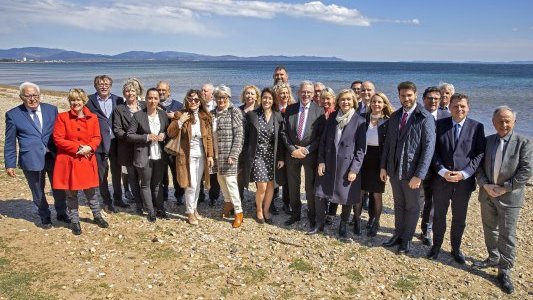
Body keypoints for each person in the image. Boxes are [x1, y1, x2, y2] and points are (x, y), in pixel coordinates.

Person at [474, 106, 532, 294]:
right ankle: (493, 257)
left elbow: (526, 171)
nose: (503, 124)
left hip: (509, 196)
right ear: (493, 122)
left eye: (507, 120)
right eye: (500, 121)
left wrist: (505, 187)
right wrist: (485, 185)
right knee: (490, 229)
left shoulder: (524, 143)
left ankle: (504, 270)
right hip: (488, 193)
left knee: (507, 233)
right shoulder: (487, 141)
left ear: (514, 122)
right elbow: (478, 167)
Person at [427, 93, 486, 264]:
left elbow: (479, 154)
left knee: (459, 218)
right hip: (441, 180)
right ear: (450, 106)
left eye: (462, 106)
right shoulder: (439, 125)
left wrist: (465, 173)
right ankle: (436, 246)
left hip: (463, 182)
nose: (459, 109)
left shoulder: (477, 127)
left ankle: (456, 248)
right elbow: (433, 152)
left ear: (468, 108)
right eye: (455, 106)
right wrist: (442, 170)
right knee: (439, 215)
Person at [380, 81, 436, 254]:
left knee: (412, 207)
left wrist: (419, 175)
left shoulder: (425, 117)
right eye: (403, 96)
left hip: (413, 173)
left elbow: (429, 148)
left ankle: (407, 240)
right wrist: (383, 167)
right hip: (395, 170)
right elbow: (388, 145)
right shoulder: (395, 116)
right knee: (398, 205)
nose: (406, 98)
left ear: (416, 95)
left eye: (409, 95)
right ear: (399, 96)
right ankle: (397, 235)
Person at [4, 82, 69, 228]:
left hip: (53, 156)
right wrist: (9, 163)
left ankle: (62, 212)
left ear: (40, 95)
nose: (32, 99)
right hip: (30, 157)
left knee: (59, 187)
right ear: (21, 97)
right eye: (28, 96)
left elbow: (61, 132)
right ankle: (45, 216)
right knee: (37, 189)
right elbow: (9, 142)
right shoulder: (13, 115)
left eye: (35, 95)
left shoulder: (51, 110)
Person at [52, 88, 109, 235]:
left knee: (91, 192)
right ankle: (75, 221)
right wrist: (78, 147)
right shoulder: (62, 117)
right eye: (72, 100)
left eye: (78, 99)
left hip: (86, 159)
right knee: (71, 194)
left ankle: (97, 216)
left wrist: (90, 147)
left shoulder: (93, 118)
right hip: (69, 161)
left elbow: (97, 137)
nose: (75, 102)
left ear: (84, 101)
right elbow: (58, 139)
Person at [313, 89, 366, 237]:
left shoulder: (360, 121)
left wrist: (354, 169)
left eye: (349, 99)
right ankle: (320, 223)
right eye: (342, 99)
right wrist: (321, 161)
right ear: (338, 102)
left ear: (353, 101)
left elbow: (361, 150)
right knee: (320, 193)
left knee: (347, 197)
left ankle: (343, 225)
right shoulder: (332, 118)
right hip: (328, 162)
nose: (345, 102)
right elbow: (323, 141)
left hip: (347, 165)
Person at [281, 80, 324, 228]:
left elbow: (320, 136)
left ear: (313, 95)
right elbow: (284, 132)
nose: (305, 94)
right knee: (293, 185)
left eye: (309, 92)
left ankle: (312, 215)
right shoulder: (290, 109)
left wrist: (306, 149)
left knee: (310, 186)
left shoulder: (319, 111)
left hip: (309, 154)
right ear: (298, 93)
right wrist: (293, 149)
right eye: (303, 92)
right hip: (292, 153)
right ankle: (295, 213)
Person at [167, 89, 214, 225]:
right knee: (190, 184)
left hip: (201, 155)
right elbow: (170, 133)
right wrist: (180, 121)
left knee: (197, 184)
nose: (193, 102)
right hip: (186, 155)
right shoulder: (180, 114)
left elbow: (209, 137)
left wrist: (210, 156)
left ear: (200, 102)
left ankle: (194, 209)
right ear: (186, 100)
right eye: (190, 99)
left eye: (196, 100)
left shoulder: (204, 116)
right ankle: (189, 212)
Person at [126, 88, 169, 222]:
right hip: (144, 155)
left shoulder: (163, 115)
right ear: (145, 99)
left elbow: (168, 132)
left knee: (157, 184)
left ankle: (160, 208)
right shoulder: (138, 115)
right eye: (150, 98)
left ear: (158, 100)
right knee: (145, 184)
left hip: (159, 155)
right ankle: (150, 212)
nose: (152, 101)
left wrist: (164, 135)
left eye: (155, 98)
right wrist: (146, 137)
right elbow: (129, 135)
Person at [86, 75, 127, 213]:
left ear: (110, 86)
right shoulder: (89, 101)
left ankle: (118, 198)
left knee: (117, 172)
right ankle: (107, 201)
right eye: (100, 84)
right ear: (95, 86)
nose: (103, 86)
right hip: (99, 143)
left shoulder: (119, 100)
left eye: (106, 84)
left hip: (116, 142)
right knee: (102, 174)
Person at [243, 87, 285, 224]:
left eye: (270, 98)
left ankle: (266, 210)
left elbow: (281, 139)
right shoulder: (252, 115)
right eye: (265, 97)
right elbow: (246, 138)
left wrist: (281, 158)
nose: (267, 100)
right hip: (257, 155)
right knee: (262, 186)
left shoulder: (278, 116)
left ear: (273, 101)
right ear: (261, 99)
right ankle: (259, 210)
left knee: (271, 185)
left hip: (271, 155)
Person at [356, 92, 393, 237]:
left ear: (384, 104)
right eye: (374, 102)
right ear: (370, 103)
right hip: (363, 158)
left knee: (377, 194)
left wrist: (384, 167)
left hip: (379, 160)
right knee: (359, 192)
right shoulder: (362, 118)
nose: (376, 104)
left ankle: (376, 221)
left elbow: (389, 147)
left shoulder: (388, 121)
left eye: (379, 102)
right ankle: (357, 220)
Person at [418, 87, 451, 246]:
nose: (433, 101)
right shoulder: (416, 115)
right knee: (416, 199)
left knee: (433, 200)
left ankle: (427, 230)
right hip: (418, 165)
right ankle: (406, 227)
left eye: (436, 99)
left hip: (439, 166)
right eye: (430, 98)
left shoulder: (447, 117)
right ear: (424, 99)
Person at [212, 85, 245, 228]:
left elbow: (239, 135)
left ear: (228, 98)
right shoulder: (212, 113)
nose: (221, 100)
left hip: (228, 154)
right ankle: (227, 203)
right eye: (218, 97)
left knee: (231, 181)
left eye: (223, 97)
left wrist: (234, 154)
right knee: (220, 179)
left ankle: (238, 212)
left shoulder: (234, 111)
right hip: (216, 153)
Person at [112, 79, 146, 215]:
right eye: (127, 91)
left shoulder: (144, 106)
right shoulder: (119, 109)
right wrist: (129, 137)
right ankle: (139, 204)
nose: (130, 93)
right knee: (132, 176)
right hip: (127, 148)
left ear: (137, 92)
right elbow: (117, 129)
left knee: (145, 175)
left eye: (132, 90)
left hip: (144, 147)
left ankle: (147, 200)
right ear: (123, 93)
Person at [156, 81, 185, 205]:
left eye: (164, 90)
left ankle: (179, 195)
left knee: (176, 171)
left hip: (174, 145)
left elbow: (185, 123)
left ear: (169, 91)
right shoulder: (153, 104)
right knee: (161, 173)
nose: (161, 92)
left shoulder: (178, 105)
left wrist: (174, 116)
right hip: (158, 145)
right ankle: (164, 195)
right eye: (159, 90)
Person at [272, 82, 295, 214]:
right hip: (275, 146)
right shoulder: (274, 109)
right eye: (281, 93)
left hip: (288, 146)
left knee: (288, 176)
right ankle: (272, 201)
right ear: (277, 95)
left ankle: (287, 202)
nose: (284, 95)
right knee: (274, 173)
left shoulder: (292, 108)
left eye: (286, 93)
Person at [238, 85, 261, 202]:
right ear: (243, 95)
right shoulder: (238, 110)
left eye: (252, 93)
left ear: (257, 96)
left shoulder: (260, 111)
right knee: (240, 175)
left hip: (256, 148)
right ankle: (238, 200)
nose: (250, 96)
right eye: (247, 93)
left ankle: (260, 202)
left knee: (258, 175)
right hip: (240, 148)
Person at [199, 82, 220, 204]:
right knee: (199, 171)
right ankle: (200, 195)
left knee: (213, 172)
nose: (202, 92)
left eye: (205, 91)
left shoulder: (217, 107)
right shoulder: (197, 104)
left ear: (212, 95)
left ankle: (213, 197)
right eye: (202, 90)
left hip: (213, 143)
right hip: (200, 143)